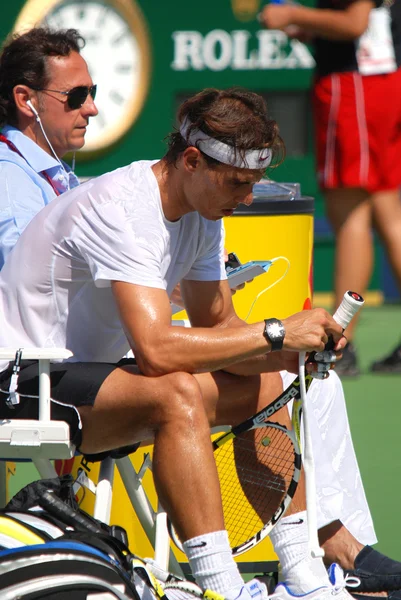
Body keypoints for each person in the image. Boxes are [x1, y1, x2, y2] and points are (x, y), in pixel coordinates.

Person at [0, 86, 400, 600]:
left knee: (268, 383)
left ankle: (304, 578)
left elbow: (220, 326)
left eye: (253, 183)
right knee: (178, 394)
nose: (248, 197)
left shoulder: (201, 212)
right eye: (238, 183)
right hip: (23, 379)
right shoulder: (123, 207)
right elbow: (157, 352)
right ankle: (221, 589)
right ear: (192, 160)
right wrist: (276, 331)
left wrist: (295, 350)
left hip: (89, 377)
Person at [259, 0, 401, 376]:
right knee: (388, 214)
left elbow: (355, 22)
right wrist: (315, 30)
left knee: (352, 216)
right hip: (375, 84)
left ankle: (341, 343)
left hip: (355, 89)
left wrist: (292, 15)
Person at [0, 26, 98, 268]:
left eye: (91, 92)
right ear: (25, 100)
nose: (91, 109)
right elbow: (32, 280)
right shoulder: (10, 178)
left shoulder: (43, 174)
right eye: (76, 95)